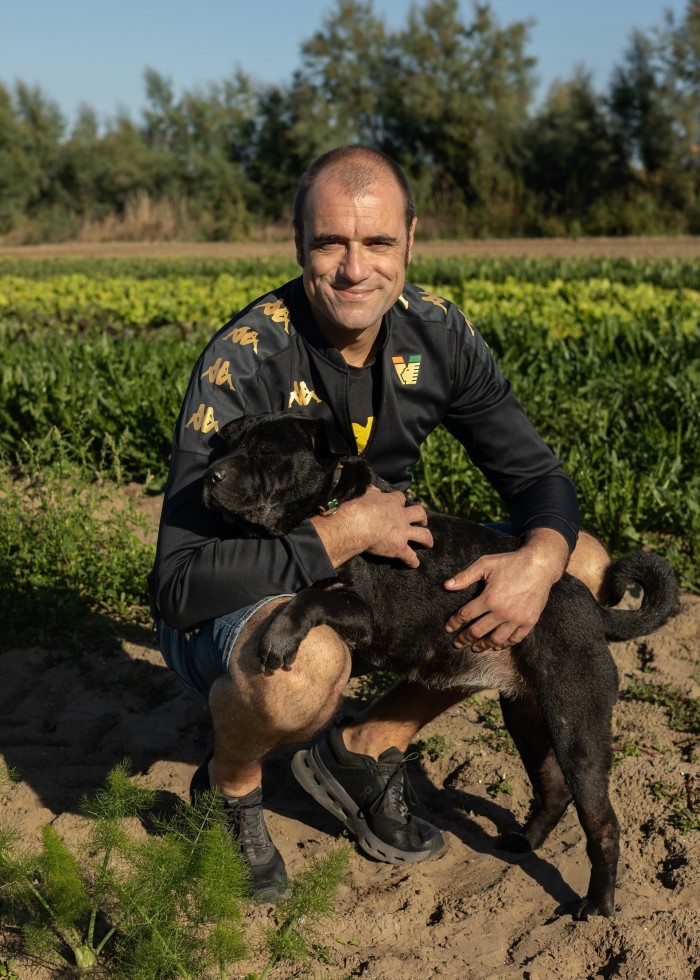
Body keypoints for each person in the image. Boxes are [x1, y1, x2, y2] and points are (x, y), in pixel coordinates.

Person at [149, 145, 609, 901]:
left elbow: (536, 478)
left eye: (378, 243)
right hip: (229, 601)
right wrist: (342, 534)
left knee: (576, 564)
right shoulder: (245, 361)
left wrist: (538, 561)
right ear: (299, 243)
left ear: (411, 242)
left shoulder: (437, 334)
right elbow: (176, 587)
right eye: (331, 242)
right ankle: (229, 792)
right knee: (305, 669)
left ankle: (368, 744)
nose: (355, 268)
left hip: (358, 587)